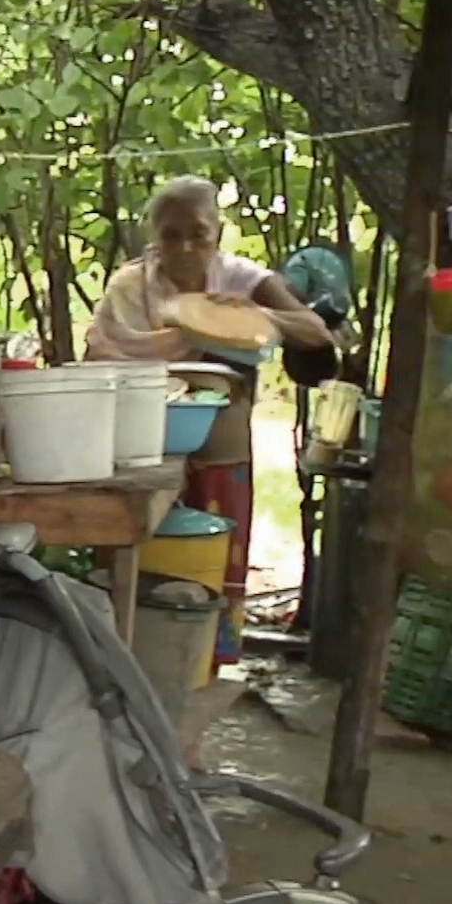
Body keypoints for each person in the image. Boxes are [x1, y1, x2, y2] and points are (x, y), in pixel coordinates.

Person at [86, 175, 334, 671]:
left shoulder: (241, 279)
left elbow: (315, 332)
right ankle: (126, 663)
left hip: (221, 442)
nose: (184, 247)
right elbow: (102, 358)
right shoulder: (130, 286)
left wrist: (248, 317)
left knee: (212, 560)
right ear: (153, 237)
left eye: (197, 233)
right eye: (170, 234)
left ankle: (202, 666)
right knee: (140, 556)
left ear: (217, 233)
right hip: (141, 436)